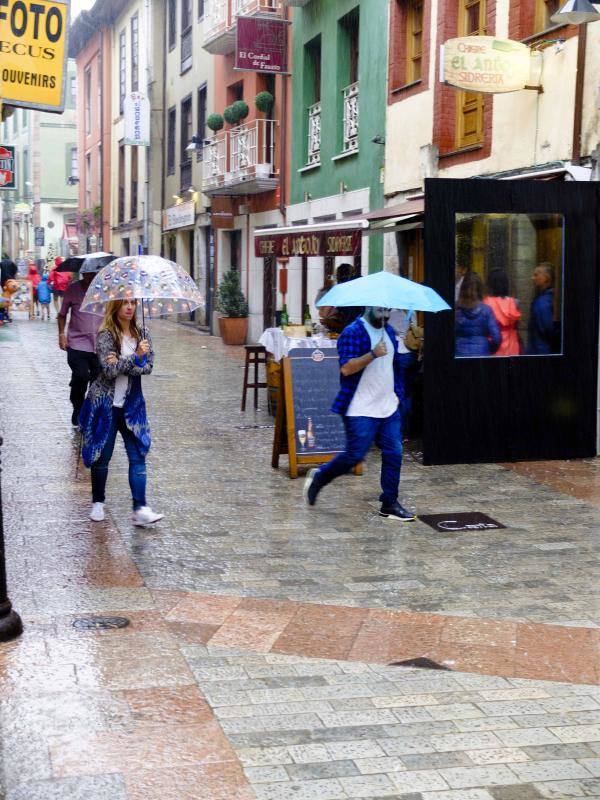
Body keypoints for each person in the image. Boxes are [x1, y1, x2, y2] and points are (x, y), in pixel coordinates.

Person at [303, 306, 415, 521]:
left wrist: (399, 393)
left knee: (394, 453)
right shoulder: (352, 332)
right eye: (380, 310)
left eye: (387, 310)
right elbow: (346, 368)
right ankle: (320, 477)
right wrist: (372, 354)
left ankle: (389, 503)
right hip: (360, 407)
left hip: (388, 406)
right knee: (354, 456)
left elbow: (393, 367)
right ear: (369, 308)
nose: (384, 314)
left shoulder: (389, 331)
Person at [79, 299, 163, 526]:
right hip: (105, 406)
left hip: (132, 407)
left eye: (133, 302)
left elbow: (149, 366)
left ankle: (140, 508)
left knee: (137, 457)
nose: (129, 307)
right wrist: (135, 357)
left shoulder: (142, 332)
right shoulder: (107, 334)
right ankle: (98, 502)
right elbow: (108, 371)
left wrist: (125, 361)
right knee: (102, 458)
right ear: (115, 306)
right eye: (124, 302)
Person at [57, 265, 103, 427]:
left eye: (95, 273)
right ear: (83, 273)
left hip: (100, 345)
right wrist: (62, 334)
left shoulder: (104, 291)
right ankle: (78, 407)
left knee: (98, 381)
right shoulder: (73, 290)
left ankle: (90, 412)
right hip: (77, 343)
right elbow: (62, 315)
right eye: (88, 273)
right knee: (81, 376)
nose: (91, 276)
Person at [455, 272, 501, 357]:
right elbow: (496, 338)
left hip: (459, 354)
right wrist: (487, 348)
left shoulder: (456, 309)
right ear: (480, 289)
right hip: (481, 356)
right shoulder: (486, 310)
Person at [483, 269, 522, 357]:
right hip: (512, 345)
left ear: (490, 285)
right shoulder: (515, 302)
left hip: (493, 344)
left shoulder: (485, 302)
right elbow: (517, 326)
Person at [317, 263, 362, 334]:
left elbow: (323, 314)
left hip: (349, 330)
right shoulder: (362, 284)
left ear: (338, 277)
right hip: (362, 329)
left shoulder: (340, 289)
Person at [527, 263, 559, 355]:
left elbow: (547, 329)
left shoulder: (542, 302)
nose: (532, 278)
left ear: (546, 278)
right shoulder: (547, 298)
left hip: (540, 351)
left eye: (536, 275)